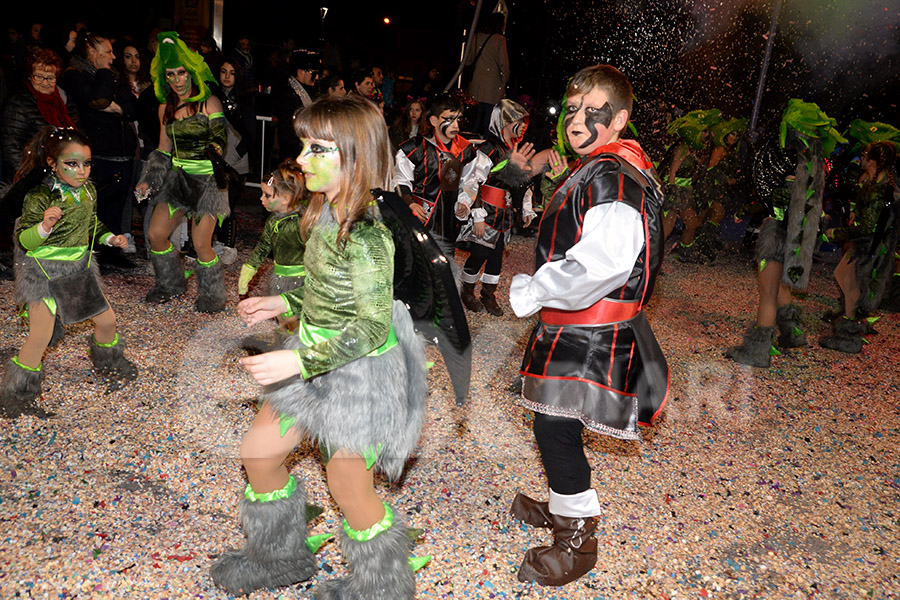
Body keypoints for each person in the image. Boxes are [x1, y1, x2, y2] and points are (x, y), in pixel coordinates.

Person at [211, 94, 428, 598]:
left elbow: (373, 327)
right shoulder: (324, 215)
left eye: (318, 149)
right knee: (259, 454)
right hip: (311, 356)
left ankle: (382, 586)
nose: (303, 159)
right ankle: (279, 556)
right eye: (305, 146)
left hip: (359, 376)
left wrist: (298, 357)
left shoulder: (368, 235)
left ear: (354, 155)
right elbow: (333, 288)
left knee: (349, 483)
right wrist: (283, 302)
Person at [508, 65, 669, 587]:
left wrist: (534, 290)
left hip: (591, 330)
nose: (577, 119)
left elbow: (603, 264)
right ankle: (563, 505)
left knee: (555, 429)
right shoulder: (607, 165)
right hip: (581, 324)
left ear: (620, 118)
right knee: (557, 424)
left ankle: (577, 539)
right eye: (573, 108)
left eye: (593, 110)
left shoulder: (612, 174)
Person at [0, 126, 137, 419]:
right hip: (42, 273)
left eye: (87, 163)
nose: (82, 171)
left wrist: (109, 238)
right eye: (71, 164)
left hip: (77, 269)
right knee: (40, 335)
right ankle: (16, 396)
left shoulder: (87, 191)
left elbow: (90, 226)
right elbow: (25, 240)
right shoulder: (39, 196)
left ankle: (109, 364)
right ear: (52, 163)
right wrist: (43, 227)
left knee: (108, 321)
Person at [726, 99, 845, 367]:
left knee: (767, 291)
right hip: (797, 236)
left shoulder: (793, 167)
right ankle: (792, 333)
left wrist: (771, 207)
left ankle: (757, 351)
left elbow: (781, 202)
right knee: (780, 285)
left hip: (779, 233)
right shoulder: (814, 164)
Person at [135, 31, 228, 313]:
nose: (176, 80)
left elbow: (221, 139)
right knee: (155, 234)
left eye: (181, 73)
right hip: (178, 180)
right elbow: (164, 149)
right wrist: (147, 180)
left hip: (208, 182)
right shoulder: (165, 107)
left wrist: (215, 147)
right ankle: (170, 283)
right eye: (171, 75)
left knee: (201, 244)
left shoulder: (209, 103)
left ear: (192, 73)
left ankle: (212, 294)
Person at [61, 31, 138, 269]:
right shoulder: (75, 75)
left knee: (116, 205)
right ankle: (92, 256)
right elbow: (97, 98)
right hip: (98, 153)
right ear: (93, 53)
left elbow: (132, 107)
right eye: (108, 53)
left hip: (123, 153)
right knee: (96, 206)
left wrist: (115, 108)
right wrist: (103, 72)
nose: (113, 57)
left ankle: (110, 252)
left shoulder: (112, 76)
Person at [457, 99, 536, 316]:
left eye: (524, 121)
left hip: (504, 213)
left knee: (496, 256)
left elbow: (523, 182)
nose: (522, 126)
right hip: (487, 210)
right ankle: (466, 290)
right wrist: (477, 215)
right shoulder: (488, 149)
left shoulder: (514, 149)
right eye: (518, 121)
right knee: (479, 253)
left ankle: (488, 294)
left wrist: (527, 208)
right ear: (505, 122)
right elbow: (473, 181)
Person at [820, 141, 898, 352]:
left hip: (870, 247)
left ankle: (849, 335)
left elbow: (866, 229)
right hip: (874, 244)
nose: (861, 156)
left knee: (850, 280)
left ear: (872, 162)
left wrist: (835, 233)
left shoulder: (879, 191)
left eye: (865, 154)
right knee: (847, 278)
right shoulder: (880, 182)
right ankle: (851, 320)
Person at [395, 93, 479, 260]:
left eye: (458, 119)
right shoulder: (415, 149)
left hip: (448, 219)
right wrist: (409, 203)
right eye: (449, 119)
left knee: (443, 263)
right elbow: (399, 180)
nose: (455, 125)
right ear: (433, 121)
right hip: (419, 218)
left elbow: (470, 181)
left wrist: (464, 201)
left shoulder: (465, 150)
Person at [238, 159, 310, 325]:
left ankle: (295, 347)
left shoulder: (301, 223)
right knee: (282, 319)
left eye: (268, 195)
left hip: (299, 281)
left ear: (285, 198)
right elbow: (264, 245)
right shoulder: (272, 220)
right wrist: (250, 267)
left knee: (295, 320)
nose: (261, 199)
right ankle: (285, 344)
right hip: (279, 277)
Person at [113, 41, 151, 254]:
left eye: (137, 56)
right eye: (128, 56)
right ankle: (126, 233)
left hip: (147, 145)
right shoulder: (118, 85)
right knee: (127, 190)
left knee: (145, 190)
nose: (133, 61)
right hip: (126, 144)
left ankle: (150, 237)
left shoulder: (148, 85)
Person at [213, 58, 253, 264]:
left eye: (232, 72)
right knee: (216, 202)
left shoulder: (245, 99)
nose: (227, 76)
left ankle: (227, 243)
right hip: (217, 157)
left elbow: (251, 132)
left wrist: (238, 152)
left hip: (237, 160)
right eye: (223, 71)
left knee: (229, 202)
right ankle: (217, 241)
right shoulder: (212, 97)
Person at [465, 12, 509, 137]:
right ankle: (486, 149)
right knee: (488, 123)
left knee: (475, 120)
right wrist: (504, 80)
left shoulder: (476, 37)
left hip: (476, 87)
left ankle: (470, 146)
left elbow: (468, 60)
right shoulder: (499, 40)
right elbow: (503, 64)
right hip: (493, 87)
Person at [273, 48, 321, 162]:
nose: (317, 77)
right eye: (313, 73)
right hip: (294, 156)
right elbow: (287, 132)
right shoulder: (288, 96)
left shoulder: (305, 92)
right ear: (300, 72)